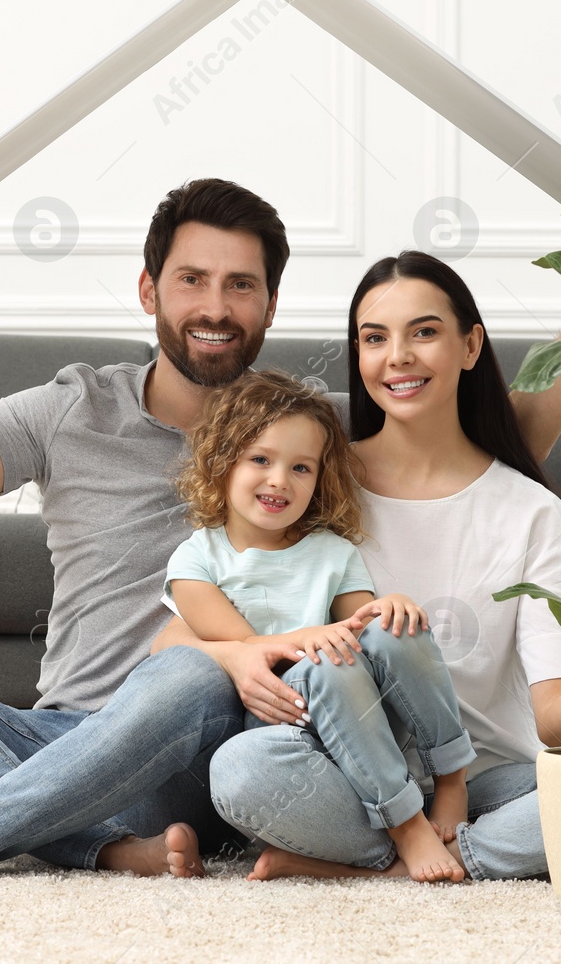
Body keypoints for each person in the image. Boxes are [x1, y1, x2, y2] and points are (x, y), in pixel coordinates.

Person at [0, 177, 561, 883]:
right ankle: (103, 848)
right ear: (150, 290)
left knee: (185, 673)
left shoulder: (303, 429)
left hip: (206, 741)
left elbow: (499, 432)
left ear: (269, 304)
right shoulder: (70, 407)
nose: (215, 306)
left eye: (241, 285)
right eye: (192, 280)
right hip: (66, 729)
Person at [202, 251, 561, 883]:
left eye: (424, 332)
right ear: (358, 358)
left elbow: (557, 724)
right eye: (375, 338)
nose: (398, 357)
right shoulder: (310, 486)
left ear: (470, 346)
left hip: (490, 780)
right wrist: (244, 653)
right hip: (348, 772)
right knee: (241, 770)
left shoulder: (531, 512)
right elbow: (197, 599)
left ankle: (366, 865)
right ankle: (416, 842)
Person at [163, 369, 474, 882]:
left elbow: (362, 626)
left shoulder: (333, 552)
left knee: (394, 628)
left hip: (354, 715)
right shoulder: (197, 559)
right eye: (260, 459)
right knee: (323, 665)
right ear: (222, 464)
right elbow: (241, 644)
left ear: (319, 479)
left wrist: (389, 606)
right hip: (277, 727)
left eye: (301, 467)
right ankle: (403, 825)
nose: (279, 480)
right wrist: (304, 639)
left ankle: (452, 777)